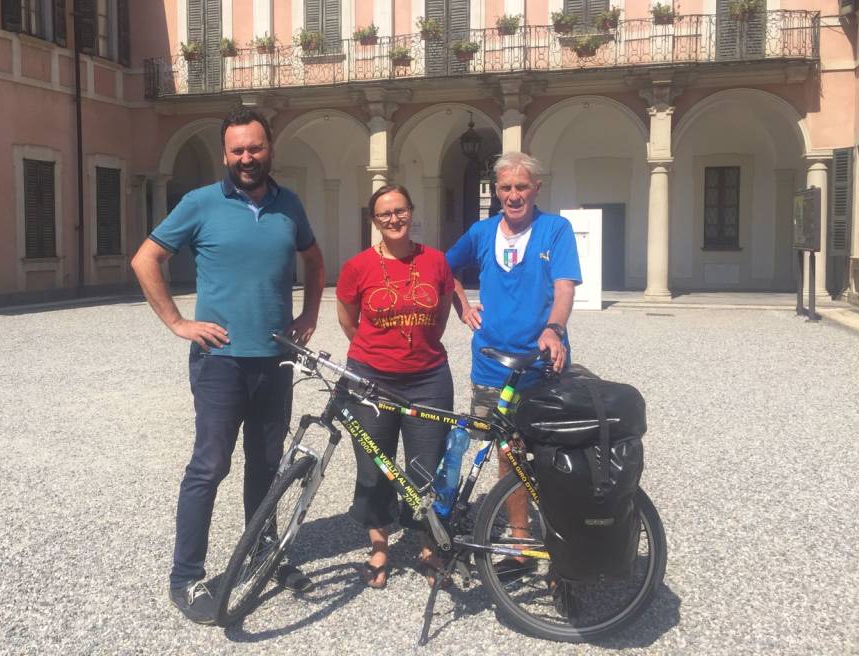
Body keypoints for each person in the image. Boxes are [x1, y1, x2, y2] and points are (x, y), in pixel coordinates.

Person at [130, 107, 325, 624]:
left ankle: (262, 552)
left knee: (266, 465)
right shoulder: (200, 203)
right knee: (209, 467)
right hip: (220, 362)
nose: (246, 157)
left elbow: (314, 258)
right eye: (237, 149)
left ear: (270, 149)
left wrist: (308, 312)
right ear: (224, 153)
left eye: (254, 148)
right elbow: (145, 259)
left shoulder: (290, 205)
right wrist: (178, 322)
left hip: (276, 359)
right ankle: (185, 577)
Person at [445, 151, 581, 575]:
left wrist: (553, 330)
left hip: (541, 365)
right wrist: (462, 307)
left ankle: (565, 539)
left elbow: (564, 289)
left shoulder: (554, 230)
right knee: (507, 454)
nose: (514, 195)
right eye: (506, 187)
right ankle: (521, 542)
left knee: (552, 454)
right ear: (496, 191)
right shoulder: (481, 232)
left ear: (536, 188)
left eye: (521, 186)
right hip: (490, 364)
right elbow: (443, 268)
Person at [335, 185, 455, 589]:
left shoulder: (435, 261)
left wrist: (415, 347)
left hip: (428, 378)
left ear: (411, 212)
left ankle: (426, 542)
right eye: (384, 214)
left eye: (400, 210)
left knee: (426, 465)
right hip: (371, 379)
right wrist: (377, 353)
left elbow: (439, 317)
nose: (393, 219)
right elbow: (348, 320)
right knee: (374, 466)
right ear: (374, 220)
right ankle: (380, 544)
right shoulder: (357, 267)